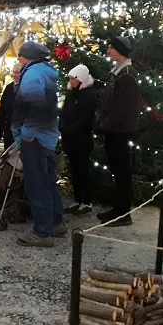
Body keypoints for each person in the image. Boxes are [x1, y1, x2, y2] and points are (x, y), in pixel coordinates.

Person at [11, 41, 65, 247]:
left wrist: (26, 134)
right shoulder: (46, 72)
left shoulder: (33, 74)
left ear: (28, 56)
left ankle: (42, 232)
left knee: (37, 184)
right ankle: (55, 222)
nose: (18, 59)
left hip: (36, 139)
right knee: (49, 180)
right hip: (48, 136)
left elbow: (34, 109)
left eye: (20, 55)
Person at [96, 36, 140, 227]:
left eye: (111, 47)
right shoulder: (118, 72)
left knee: (122, 171)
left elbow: (121, 107)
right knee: (117, 170)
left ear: (120, 50)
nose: (108, 49)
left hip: (119, 130)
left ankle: (123, 213)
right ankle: (118, 209)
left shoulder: (127, 74)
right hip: (113, 129)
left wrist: (106, 124)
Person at [60, 64, 98, 215]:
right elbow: (64, 111)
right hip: (70, 139)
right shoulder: (71, 93)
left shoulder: (89, 95)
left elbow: (85, 118)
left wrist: (71, 128)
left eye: (74, 80)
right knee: (74, 170)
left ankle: (86, 201)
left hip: (82, 139)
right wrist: (62, 126)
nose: (71, 82)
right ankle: (77, 199)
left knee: (83, 170)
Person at [0, 62, 21, 149]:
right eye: (14, 72)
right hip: (9, 130)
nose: (15, 75)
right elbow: (2, 112)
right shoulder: (9, 88)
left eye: (18, 72)